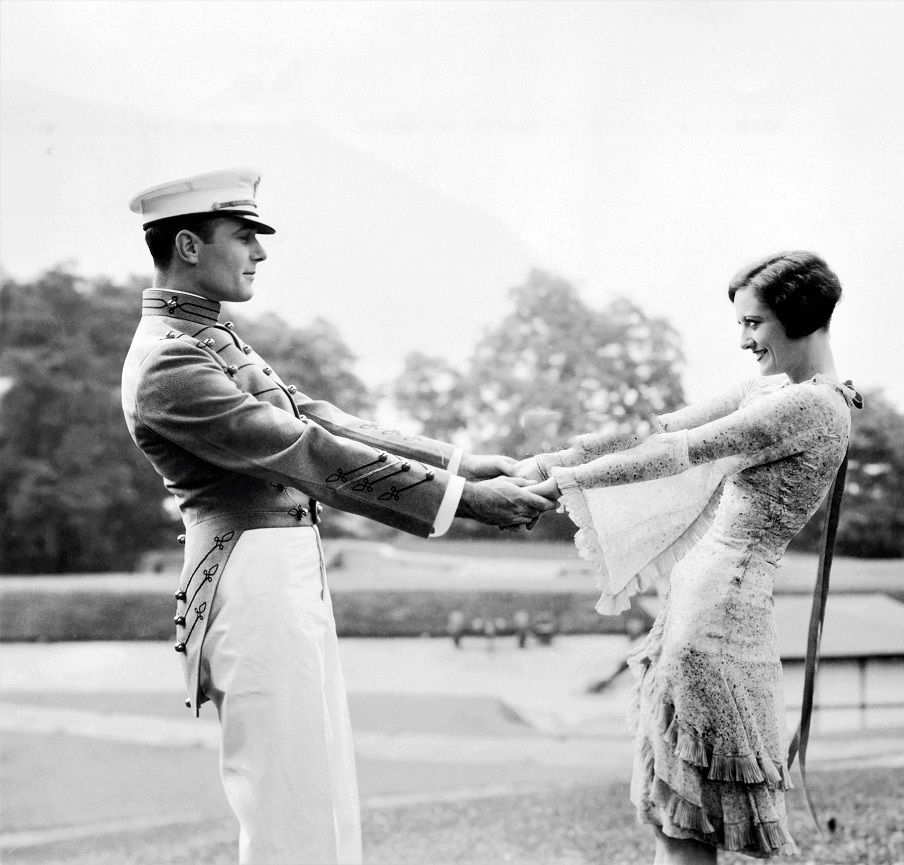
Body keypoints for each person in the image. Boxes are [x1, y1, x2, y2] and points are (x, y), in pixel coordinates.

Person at [120, 166, 557, 865]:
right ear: (189, 246)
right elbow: (303, 449)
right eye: (244, 236)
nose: (260, 252)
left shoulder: (210, 336)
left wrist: (460, 462)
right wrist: (463, 502)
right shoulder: (168, 362)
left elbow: (311, 413)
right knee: (285, 798)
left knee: (319, 785)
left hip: (283, 572)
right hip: (248, 579)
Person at [518, 251, 861, 862]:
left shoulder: (808, 406)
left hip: (721, 613)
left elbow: (682, 451)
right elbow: (663, 426)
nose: (743, 339)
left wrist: (567, 486)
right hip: (704, 602)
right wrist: (551, 463)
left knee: (687, 824)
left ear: (799, 317)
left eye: (753, 324)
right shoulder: (776, 391)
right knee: (675, 818)